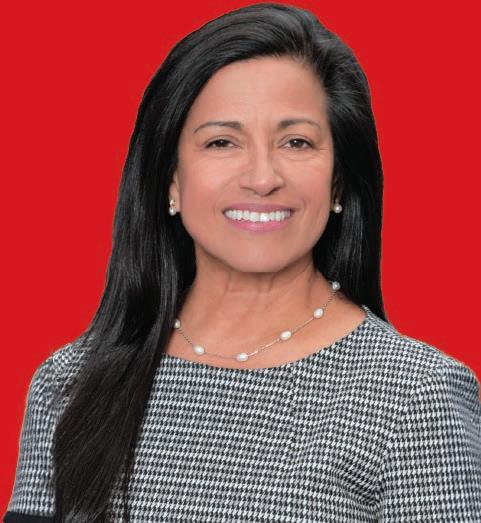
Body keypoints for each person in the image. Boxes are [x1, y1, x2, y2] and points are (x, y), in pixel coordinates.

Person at [4, 3, 481, 522]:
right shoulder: (71, 384)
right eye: (221, 142)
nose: (261, 177)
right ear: (170, 179)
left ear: (338, 180)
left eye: (296, 142)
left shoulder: (414, 395)